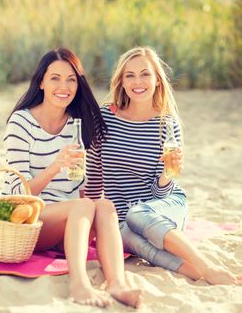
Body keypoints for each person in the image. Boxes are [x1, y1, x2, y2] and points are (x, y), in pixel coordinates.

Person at [85, 46, 242, 285]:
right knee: (125, 234)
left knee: (138, 213)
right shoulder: (105, 118)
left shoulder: (166, 124)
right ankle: (197, 273)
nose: (138, 81)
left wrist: (168, 173)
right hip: (122, 216)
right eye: (130, 75)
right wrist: (92, 216)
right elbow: (94, 172)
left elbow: (162, 192)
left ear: (157, 80)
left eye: (145, 74)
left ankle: (206, 267)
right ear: (122, 82)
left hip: (163, 207)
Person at [3, 48, 142, 308]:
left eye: (71, 79)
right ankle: (79, 284)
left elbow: (86, 190)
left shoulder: (78, 124)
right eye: (55, 78)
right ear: (41, 82)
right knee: (83, 205)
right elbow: (16, 195)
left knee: (103, 204)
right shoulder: (21, 123)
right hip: (31, 221)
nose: (63, 86)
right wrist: (56, 167)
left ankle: (117, 284)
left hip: (70, 222)